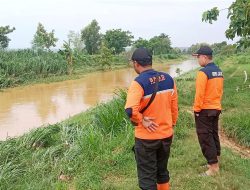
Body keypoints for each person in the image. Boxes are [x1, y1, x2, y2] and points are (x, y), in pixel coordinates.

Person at [125, 47, 178, 190]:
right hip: (166, 135)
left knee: (147, 178)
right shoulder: (168, 79)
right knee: (162, 172)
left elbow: (130, 110)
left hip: (146, 138)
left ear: (136, 63)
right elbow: (174, 108)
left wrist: (141, 119)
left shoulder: (138, 83)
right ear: (150, 61)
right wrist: (170, 125)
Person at [192, 45, 224, 176]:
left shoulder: (203, 72)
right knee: (213, 134)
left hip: (205, 109)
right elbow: (219, 91)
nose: (198, 60)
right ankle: (215, 160)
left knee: (205, 137)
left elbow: (200, 94)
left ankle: (213, 168)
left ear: (205, 57)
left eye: (198, 57)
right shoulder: (218, 71)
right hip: (216, 108)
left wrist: (196, 109)